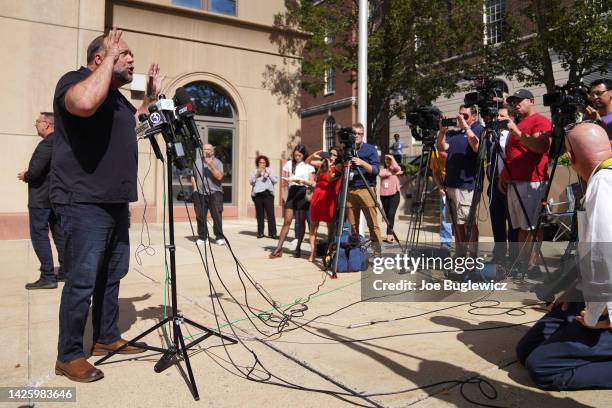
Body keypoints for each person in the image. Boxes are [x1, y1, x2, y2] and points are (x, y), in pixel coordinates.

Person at [51, 28, 162, 382]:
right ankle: (68, 355)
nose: (131, 60)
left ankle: (106, 337)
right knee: (82, 281)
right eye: (124, 53)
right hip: (83, 202)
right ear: (100, 58)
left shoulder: (117, 99)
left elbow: (136, 123)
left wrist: (150, 99)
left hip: (114, 202)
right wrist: (108, 61)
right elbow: (83, 104)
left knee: (112, 275)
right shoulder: (76, 80)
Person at [516, 123, 612, 390]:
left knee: (543, 367)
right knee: (527, 350)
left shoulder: (603, 183)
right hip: (591, 294)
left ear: (570, 158)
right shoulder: (600, 178)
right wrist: (572, 288)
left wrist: (597, 318)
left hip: (607, 305)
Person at [499, 89, 552, 276]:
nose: (516, 104)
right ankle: (523, 264)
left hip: (532, 182)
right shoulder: (519, 123)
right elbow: (512, 156)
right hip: (514, 182)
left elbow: (541, 147)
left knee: (532, 227)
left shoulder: (540, 121)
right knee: (522, 227)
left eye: (520, 101)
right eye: (514, 102)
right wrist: (503, 176)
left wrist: (517, 131)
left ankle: (533, 265)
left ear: (531, 100)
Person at [18, 112, 65, 289]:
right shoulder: (60, 143)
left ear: (47, 124)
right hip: (55, 198)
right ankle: (65, 270)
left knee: (39, 236)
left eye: (37, 121)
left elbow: (36, 172)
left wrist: (26, 175)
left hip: (40, 199)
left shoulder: (47, 144)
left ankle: (47, 276)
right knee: (59, 234)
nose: (35, 124)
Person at [436, 105, 483, 256]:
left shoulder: (477, 129)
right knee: (457, 224)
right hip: (451, 184)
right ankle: (460, 255)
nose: (461, 118)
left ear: (474, 117)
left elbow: (476, 146)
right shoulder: (455, 134)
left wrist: (466, 127)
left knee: (469, 223)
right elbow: (441, 146)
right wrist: (442, 132)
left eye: (465, 116)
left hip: (466, 185)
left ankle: (472, 255)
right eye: (459, 115)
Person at [270, 144, 315, 258]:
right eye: (295, 155)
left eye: (299, 155)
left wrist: (301, 181)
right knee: (287, 221)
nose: (297, 157)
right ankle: (279, 248)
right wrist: (285, 195)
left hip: (303, 192)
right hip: (292, 192)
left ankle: (298, 247)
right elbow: (284, 181)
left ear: (304, 154)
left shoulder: (309, 166)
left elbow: (312, 182)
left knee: (300, 222)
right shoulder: (289, 164)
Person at [486, 107, 518, 262]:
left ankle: (513, 256)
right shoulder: (492, 136)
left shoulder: (511, 136)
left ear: (510, 118)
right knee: (497, 222)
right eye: (496, 115)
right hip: (494, 185)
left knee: (512, 223)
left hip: (508, 184)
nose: (497, 118)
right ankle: (499, 254)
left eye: (502, 116)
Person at [346, 123, 382, 257]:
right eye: (354, 133)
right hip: (351, 189)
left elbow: (376, 170)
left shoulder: (370, 149)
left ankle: (378, 254)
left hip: (366, 189)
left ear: (363, 135)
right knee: (352, 225)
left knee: (372, 224)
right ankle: (356, 253)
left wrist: (362, 163)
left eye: (359, 133)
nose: (356, 136)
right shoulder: (347, 149)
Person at [307, 148, 341, 262]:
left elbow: (331, 179)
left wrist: (331, 166)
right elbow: (308, 161)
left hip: (329, 199)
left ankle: (328, 253)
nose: (332, 156)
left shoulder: (338, 168)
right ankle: (313, 252)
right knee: (313, 227)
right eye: (331, 154)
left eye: (335, 155)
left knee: (330, 228)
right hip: (317, 197)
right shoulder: (323, 165)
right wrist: (313, 154)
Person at [192, 144, 226, 246]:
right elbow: (193, 176)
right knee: (200, 216)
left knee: (216, 216)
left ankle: (219, 237)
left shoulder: (218, 162)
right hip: (200, 193)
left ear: (212, 151)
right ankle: (202, 237)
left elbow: (219, 177)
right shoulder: (197, 162)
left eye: (209, 149)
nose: (206, 151)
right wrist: (195, 189)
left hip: (215, 193)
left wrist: (210, 165)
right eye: (204, 149)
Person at [429, 147, 453, 251]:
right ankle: (446, 244)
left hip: (459, 186)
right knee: (445, 216)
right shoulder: (435, 153)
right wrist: (440, 187)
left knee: (462, 217)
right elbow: (435, 172)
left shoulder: (454, 148)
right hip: (445, 187)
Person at [250, 155, 278, 239]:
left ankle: (272, 233)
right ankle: (260, 232)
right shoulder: (254, 171)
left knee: (270, 213)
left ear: (266, 163)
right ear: (257, 163)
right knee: (260, 214)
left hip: (268, 194)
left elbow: (275, 181)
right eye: (260, 162)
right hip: (258, 195)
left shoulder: (270, 170)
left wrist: (268, 174)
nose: (262, 164)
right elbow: (251, 182)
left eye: (264, 162)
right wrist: (257, 175)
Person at [379, 155, 403, 243]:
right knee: (387, 216)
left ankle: (389, 235)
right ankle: (391, 233)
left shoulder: (396, 169)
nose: (388, 161)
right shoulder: (383, 170)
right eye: (386, 159)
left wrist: (392, 158)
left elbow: (397, 167)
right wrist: (393, 174)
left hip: (394, 195)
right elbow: (381, 174)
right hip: (384, 195)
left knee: (391, 214)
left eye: (389, 160)